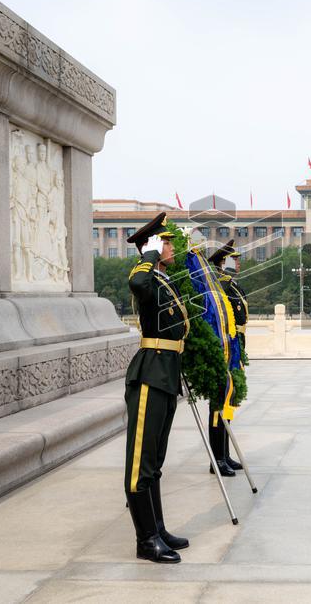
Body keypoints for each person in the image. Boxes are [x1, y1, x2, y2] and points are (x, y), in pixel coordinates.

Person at [122, 213, 190, 564]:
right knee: (140, 463)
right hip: (150, 374)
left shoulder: (163, 279)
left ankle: (157, 528)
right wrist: (147, 255)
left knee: (155, 461)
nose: (173, 247)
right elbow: (138, 286)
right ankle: (145, 540)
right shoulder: (145, 276)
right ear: (154, 245)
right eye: (168, 242)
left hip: (166, 373)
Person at [209, 240, 247, 472]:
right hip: (223, 351)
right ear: (223, 262)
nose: (239, 262)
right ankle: (217, 459)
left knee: (229, 404)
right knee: (218, 406)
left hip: (235, 349)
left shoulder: (231, 285)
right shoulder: (219, 286)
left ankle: (225, 453)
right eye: (235, 259)